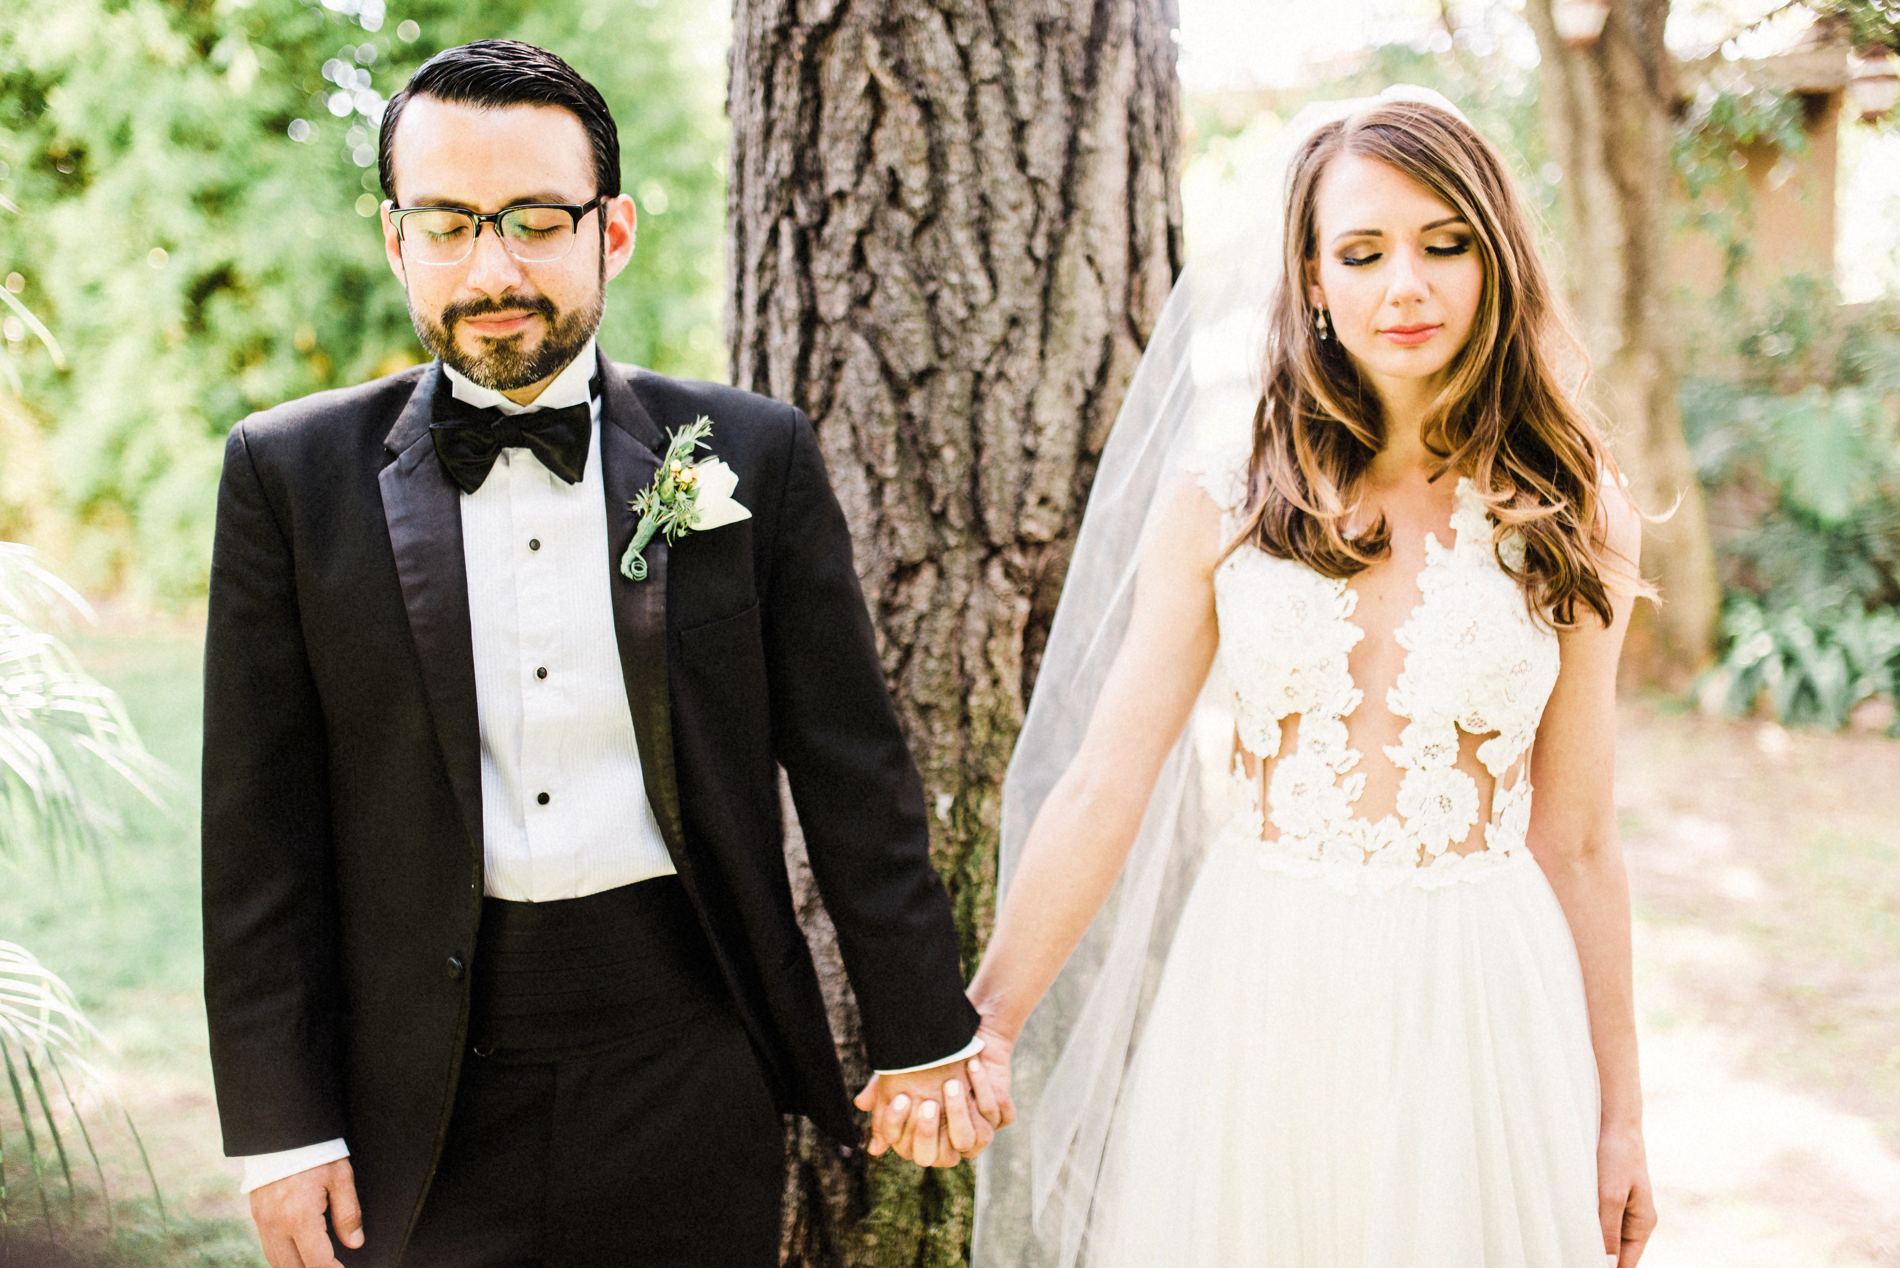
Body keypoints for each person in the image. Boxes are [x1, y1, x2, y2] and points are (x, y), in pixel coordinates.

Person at [201, 39, 1000, 1268]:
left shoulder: (751, 450)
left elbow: (853, 771)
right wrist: (280, 1128)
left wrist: (920, 1027)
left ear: (610, 231)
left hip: (691, 1061)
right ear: (395, 239)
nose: (493, 265)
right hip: (409, 1094)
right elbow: (258, 829)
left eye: (533, 219)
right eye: (450, 223)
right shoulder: (286, 475)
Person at [938, 90, 1660, 1267]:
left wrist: (1620, 1117)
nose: (1405, 287)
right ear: (1313, 281)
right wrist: (991, 1019)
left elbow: (1576, 838)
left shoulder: (1573, 514)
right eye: (1363, 253)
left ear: (1495, 257)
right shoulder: (1225, 497)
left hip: (1478, 996)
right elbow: (1105, 780)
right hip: (1265, 982)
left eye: (1443, 244)